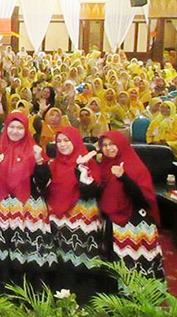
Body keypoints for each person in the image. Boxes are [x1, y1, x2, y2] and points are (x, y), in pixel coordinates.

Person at [0, 112, 55, 291]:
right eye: (12, 127)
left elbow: (44, 182)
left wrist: (39, 162)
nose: (15, 131)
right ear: (6, 128)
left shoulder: (35, 149)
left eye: (20, 128)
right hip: (3, 208)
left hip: (29, 210)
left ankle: (28, 296)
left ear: (26, 130)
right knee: (2, 254)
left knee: (27, 253)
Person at [97, 131, 165, 281]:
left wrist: (124, 177)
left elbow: (143, 200)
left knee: (133, 267)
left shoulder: (134, 166)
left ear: (121, 145)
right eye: (105, 145)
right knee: (111, 264)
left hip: (133, 224)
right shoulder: (104, 165)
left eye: (112, 144)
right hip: (111, 221)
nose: (108, 148)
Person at [47, 126, 104, 302]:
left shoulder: (88, 163)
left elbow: (90, 191)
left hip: (82, 219)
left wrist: (80, 168)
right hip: (57, 219)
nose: (62, 144)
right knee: (60, 260)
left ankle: (83, 300)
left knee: (80, 261)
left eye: (67, 140)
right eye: (59, 141)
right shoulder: (53, 164)